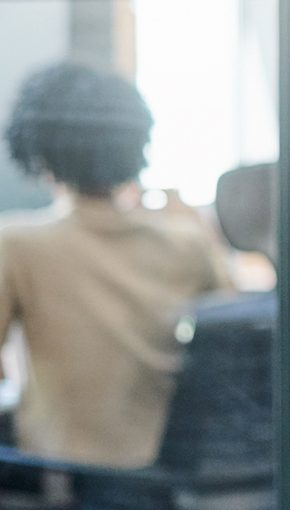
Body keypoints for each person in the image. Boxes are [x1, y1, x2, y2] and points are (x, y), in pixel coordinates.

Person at [0, 59, 230, 467]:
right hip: (170, 476)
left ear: (37, 149)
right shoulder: (187, 242)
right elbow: (239, 344)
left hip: (68, 481)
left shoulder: (16, 244)